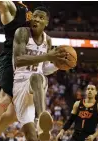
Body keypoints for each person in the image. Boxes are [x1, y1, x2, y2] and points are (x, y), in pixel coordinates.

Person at [12, 7, 67, 141]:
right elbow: (18, 60)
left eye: (41, 17)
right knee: (31, 136)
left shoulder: (47, 40)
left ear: (46, 22)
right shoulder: (22, 33)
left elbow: (44, 69)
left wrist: (57, 65)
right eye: (34, 16)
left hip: (37, 84)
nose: (36, 19)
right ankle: (38, 125)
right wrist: (47, 56)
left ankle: (41, 119)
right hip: (20, 83)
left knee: (36, 76)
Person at [0, 1, 32, 140]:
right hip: (11, 58)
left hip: (24, 64)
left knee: (13, 115)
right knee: (4, 99)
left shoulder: (27, 9)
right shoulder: (13, 6)